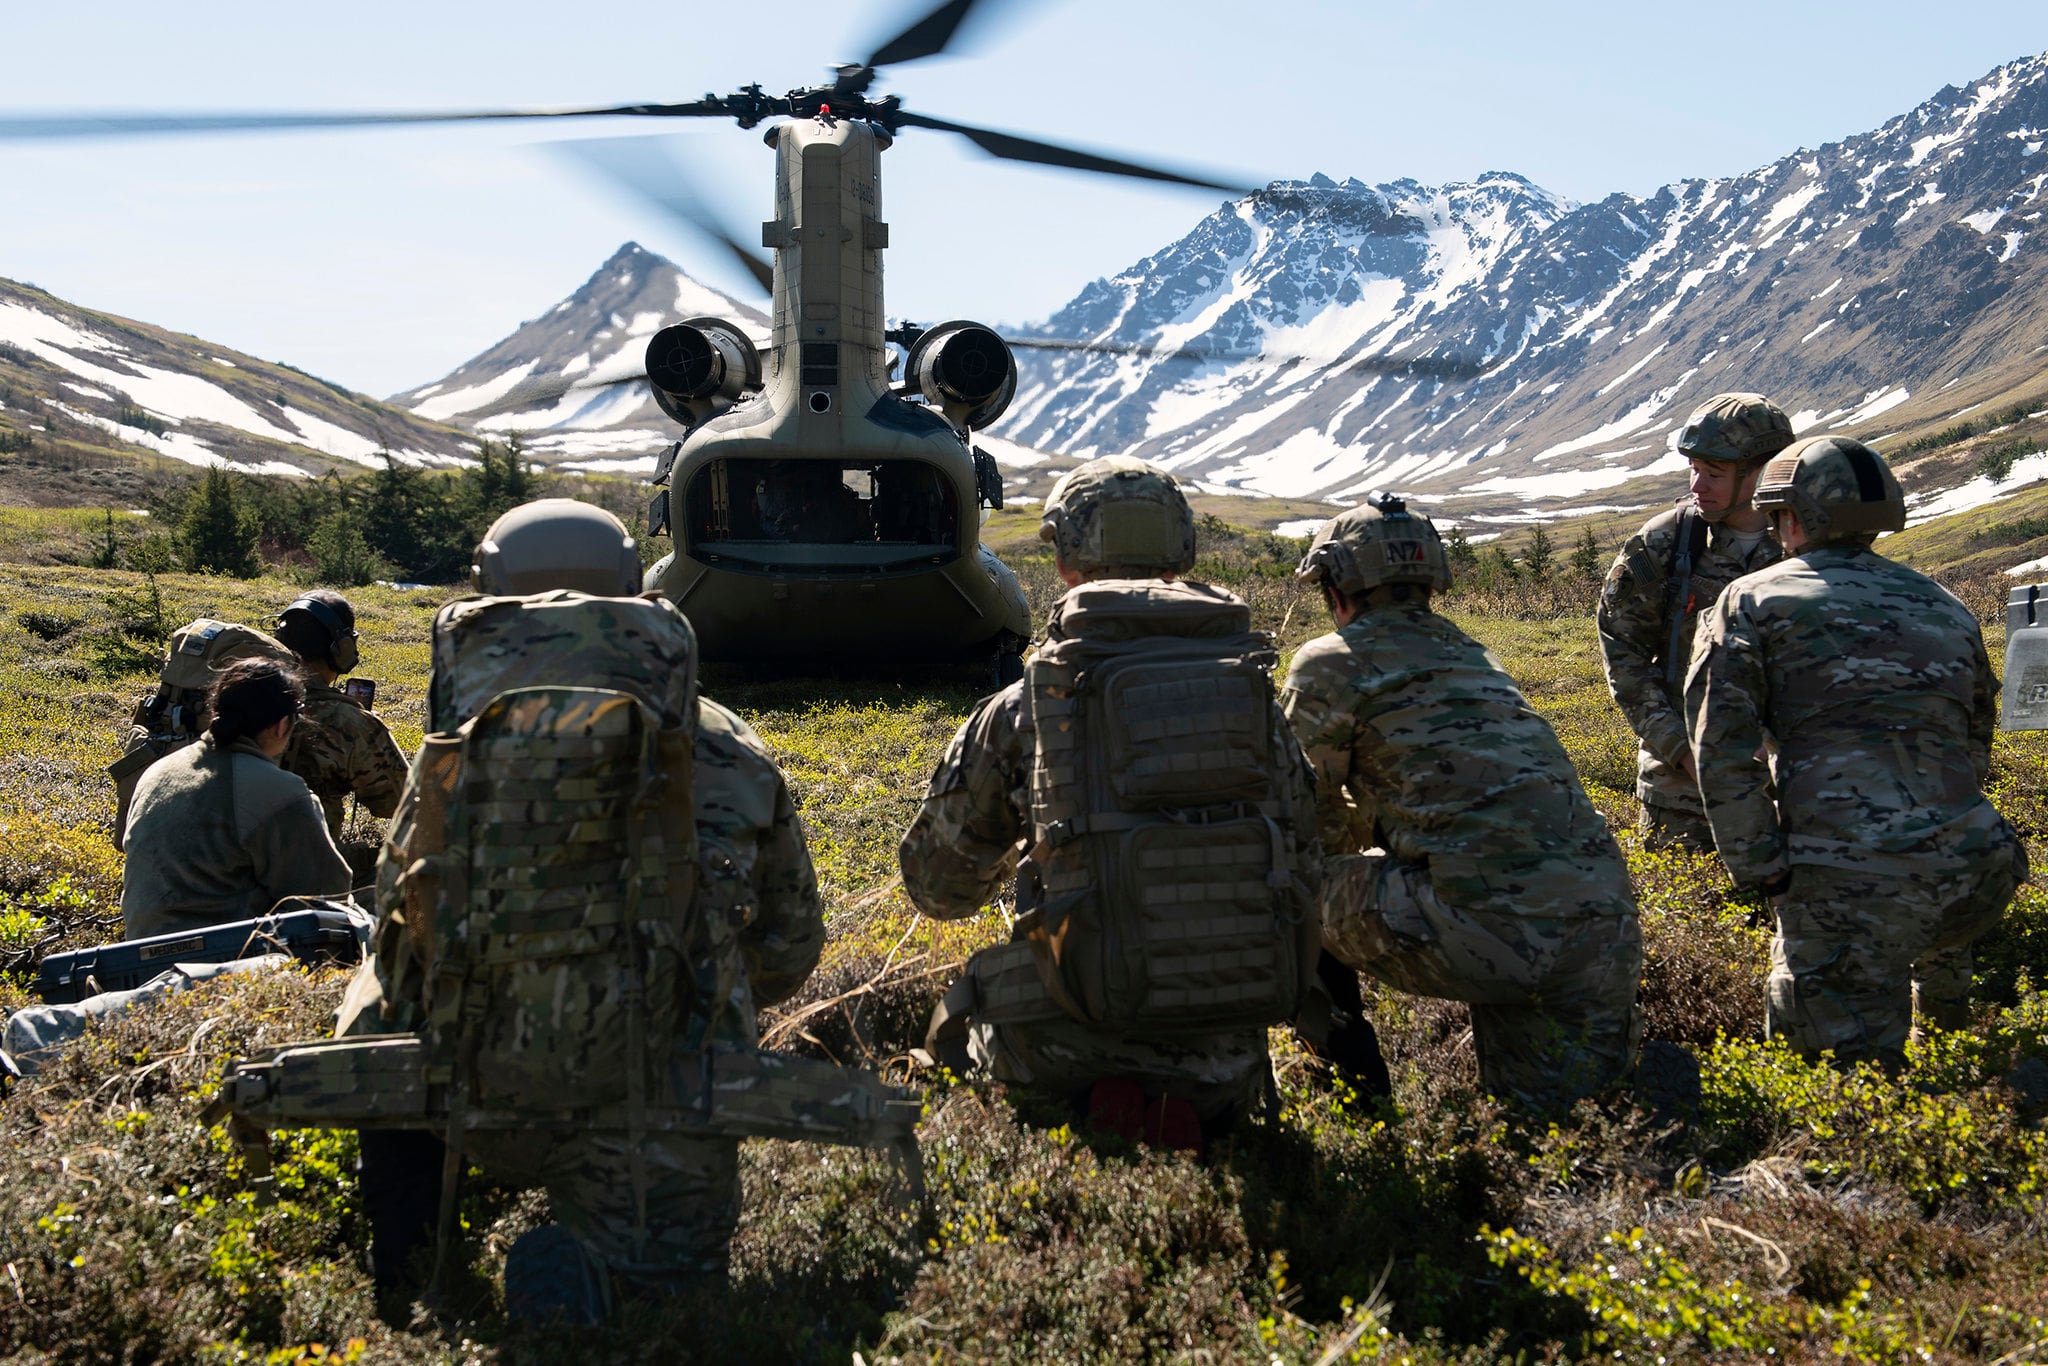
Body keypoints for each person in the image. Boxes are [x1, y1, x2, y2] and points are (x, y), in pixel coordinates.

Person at [335, 498, 826, 1324]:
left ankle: (414, 1265)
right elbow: (789, 946)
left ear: (488, 591)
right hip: (659, 1087)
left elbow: (397, 919)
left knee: (371, 994)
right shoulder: (726, 747)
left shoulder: (451, 752)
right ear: (637, 590)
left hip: (460, 1077)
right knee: (663, 1317)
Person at [900, 456, 1326, 1146]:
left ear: (1065, 558)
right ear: (1183, 553)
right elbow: (1308, 852)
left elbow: (937, 889)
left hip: (1059, 1048)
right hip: (1228, 1060)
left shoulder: (1025, 707)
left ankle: (1092, 1109)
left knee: (972, 996)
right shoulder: (1255, 701)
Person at [1285, 494, 1643, 1112]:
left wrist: (1362, 859)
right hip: (1601, 927)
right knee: (1563, 1138)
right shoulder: (1476, 656)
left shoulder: (1329, 663)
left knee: (1290, 882)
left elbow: (1296, 814)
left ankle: (1353, 1095)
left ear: (1336, 588)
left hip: (1487, 931)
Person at [1685, 437, 2025, 1067]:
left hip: (1846, 880)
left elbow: (1721, 755)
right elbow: (1976, 742)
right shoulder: (1944, 604)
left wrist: (1766, 874)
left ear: (1791, 517)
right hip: (1973, 870)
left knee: (1836, 1088)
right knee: (1948, 1052)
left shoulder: (1751, 602)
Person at [1598, 393, 1795, 852]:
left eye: (1713, 473)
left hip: (1788, 791)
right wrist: (1683, 751)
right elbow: (1624, 656)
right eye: (1694, 469)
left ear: (1761, 472)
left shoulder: (1804, 541)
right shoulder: (1665, 542)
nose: (1696, 485)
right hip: (1681, 793)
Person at [120, 658, 352, 941]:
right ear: (282, 725)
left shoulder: (159, 771)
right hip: (228, 969)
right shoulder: (278, 791)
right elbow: (327, 895)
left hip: (136, 956)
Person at [272, 590, 409, 871]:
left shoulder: (239, 694)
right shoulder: (349, 722)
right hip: (299, 876)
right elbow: (400, 803)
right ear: (342, 648)